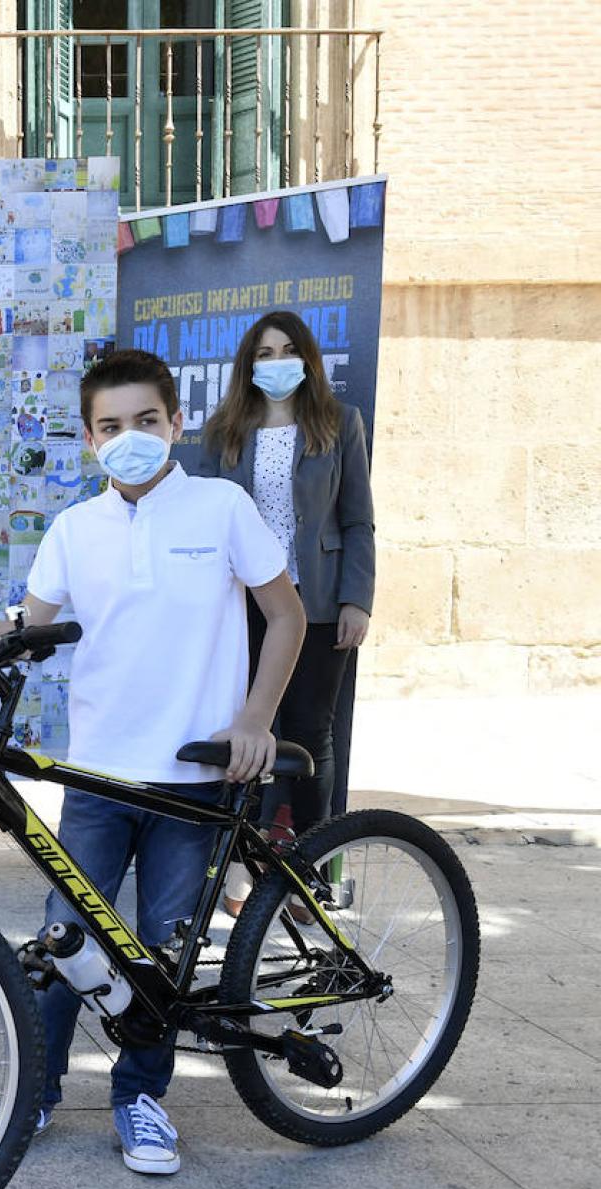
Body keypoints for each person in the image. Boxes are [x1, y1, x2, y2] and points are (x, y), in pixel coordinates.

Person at [0, 349, 304, 1176]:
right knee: (66, 940)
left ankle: (140, 1098)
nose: (131, 437)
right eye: (112, 425)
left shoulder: (221, 507)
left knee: (160, 953)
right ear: (90, 438)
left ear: (177, 423)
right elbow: (28, 629)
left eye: (147, 421)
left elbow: (287, 615)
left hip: (195, 780)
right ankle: (35, 1091)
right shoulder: (75, 530)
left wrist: (255, 719)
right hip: (96, 777)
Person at [187, 311, 375, 901]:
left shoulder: (340, 423)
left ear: (308, 359)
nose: (277, 363)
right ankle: (238, 862)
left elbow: (357, 521)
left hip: (317, 603)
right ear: (249, 365)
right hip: (244, 605)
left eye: (288, 351)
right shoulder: (224, 431)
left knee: (311, 731)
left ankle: (311, 868)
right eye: (264, 354)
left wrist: (356, 599)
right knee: (245, 730)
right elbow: (206, 523)